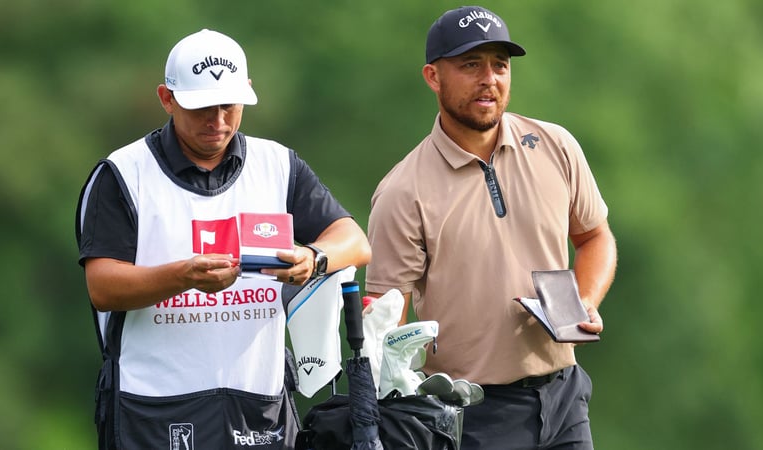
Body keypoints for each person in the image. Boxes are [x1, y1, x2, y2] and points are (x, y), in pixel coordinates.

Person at [75, 29, 371, 450]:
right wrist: (184, 276)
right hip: (152, 408)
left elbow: (354, 239)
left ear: (247, 92)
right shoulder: (123, 173)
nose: (218, 121)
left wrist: (314, 258)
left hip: (258, 404)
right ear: (167, 98)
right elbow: (103, 286)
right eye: (202, 107)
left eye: (229, 105)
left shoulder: (278, 164)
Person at [365, 6, 617, 450]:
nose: (489, 79)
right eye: (470, 65)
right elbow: (388, 322)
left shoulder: (555, 145)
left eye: (500, 65)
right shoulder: (402, 191)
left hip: (565, 397)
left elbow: (595, 235)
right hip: (472, 413)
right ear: (432, 76)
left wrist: (585, 302)